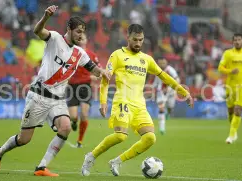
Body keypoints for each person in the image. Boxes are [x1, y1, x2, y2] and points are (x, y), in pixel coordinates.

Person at [0, 5, 110, 177]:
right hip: (38, 96)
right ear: (69, 29)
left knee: (66, 128)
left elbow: (93, 69)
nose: (81, 35)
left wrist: (103, 73)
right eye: (78, 31)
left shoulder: (80, 53)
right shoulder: (54, 38)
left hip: (57, 100)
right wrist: (45, 16)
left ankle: (41, 167)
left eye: (83, 32)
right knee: (24, 139)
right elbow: (38, 31)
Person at [81, 24, 193, 176]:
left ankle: (117, 161)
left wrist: (183, 91)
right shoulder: (117, 55)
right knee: (121, 136)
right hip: (122, 102)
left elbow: (165, 77)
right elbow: (105, 79)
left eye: (141, 40)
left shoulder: (146, 59)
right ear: (128, 37)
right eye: (135, 39)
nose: (138, 43)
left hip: (139, 105)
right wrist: (103, 101)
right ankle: (90, 157)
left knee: (150, 138)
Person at [218, 33, 242, 144]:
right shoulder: (228, 53)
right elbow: (220, 67)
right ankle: (234, 131)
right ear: (232, 42)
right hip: (230, 85)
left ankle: (231, 136)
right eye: (235, 40)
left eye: (239, 40)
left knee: (238, 110)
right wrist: (230, 71)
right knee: (230, 111)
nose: (237, 42)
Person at [67, 33, 100, 148]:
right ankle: (74, 122)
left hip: (85, 87)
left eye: (83, 38)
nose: (81, 40)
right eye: (79, 38)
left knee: (84, 114)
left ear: (86, 41)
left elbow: (99, 73)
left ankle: (79, 141)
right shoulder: (70, 54)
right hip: (72, 87)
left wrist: (94, 77)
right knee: (73, 116)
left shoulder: (92, 55)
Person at [152, 57, 179, 134]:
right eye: (160, 63)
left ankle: (168, 113)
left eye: (163, 63)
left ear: (166, 63)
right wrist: (153, 88)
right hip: (160, 92)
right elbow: (156, 82)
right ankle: (162, 128)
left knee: (170, 107)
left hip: (170, 92)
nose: (161, 64)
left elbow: (177, 79)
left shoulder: (170, 70)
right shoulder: (157, 70)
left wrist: (170, 87)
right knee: (161, 109)